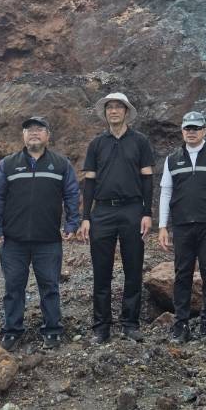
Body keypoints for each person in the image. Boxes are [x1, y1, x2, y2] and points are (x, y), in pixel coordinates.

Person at [0, 116, 81, 351]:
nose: (34, 133)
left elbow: (71, 193)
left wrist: (72, 223)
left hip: (48, 239)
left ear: (48, 135)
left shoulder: (61, 164)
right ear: (23, 136)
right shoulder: (7, 164)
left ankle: (52, 330)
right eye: (29, 130)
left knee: (49, 286)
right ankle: (12, 331)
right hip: (14, 241)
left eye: (40, 129)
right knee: (13, 287)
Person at [78, 92, 155, 345]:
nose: (113, 111)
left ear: (126, 112)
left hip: (133, 210)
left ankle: (130, 324)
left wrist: (147, 212)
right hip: (102, 212)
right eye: (109, 107)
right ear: (105, 113)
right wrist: (86, 217)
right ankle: (101, 327)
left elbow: (147, 179)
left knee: (133, 269)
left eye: (118, 107)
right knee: (102, 271)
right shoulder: (96, 144)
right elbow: (89, 183)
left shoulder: (140, 142)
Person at [157, 111, 206, 343]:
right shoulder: (172, 159)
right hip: (182, 226)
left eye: (196, 128)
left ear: (204, 131)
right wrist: (162, 226)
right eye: (187, 128)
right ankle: (180, 324)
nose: (191, 132)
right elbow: (165, 192)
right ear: (182, 131)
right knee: (182, 274)